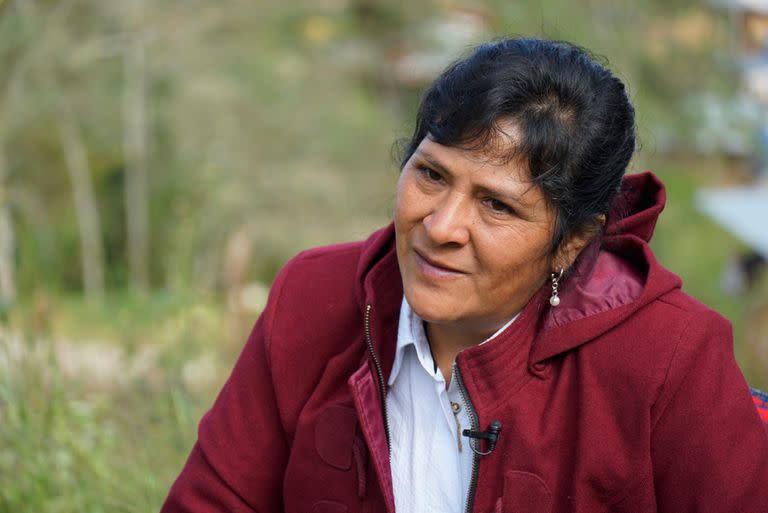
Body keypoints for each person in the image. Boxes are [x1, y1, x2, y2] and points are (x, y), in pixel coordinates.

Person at [161, 37, 768, 513]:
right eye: (431, 175)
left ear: (572, 243)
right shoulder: (312, 300)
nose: (442, 225)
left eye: (497, 205)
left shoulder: (667, 355)